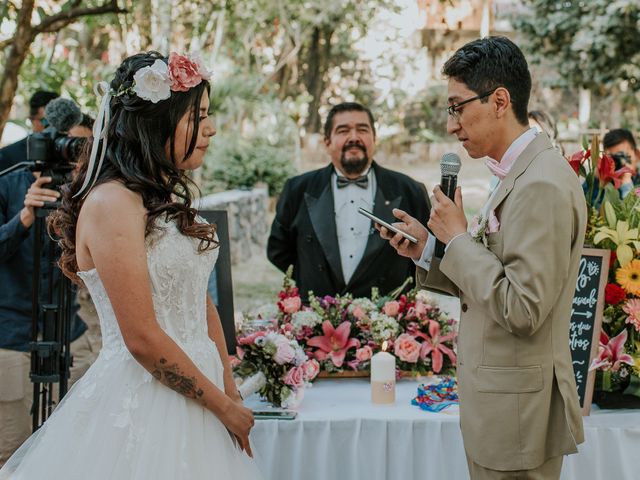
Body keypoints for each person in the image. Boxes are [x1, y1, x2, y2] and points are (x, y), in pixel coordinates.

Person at [0, 52, 261, 479]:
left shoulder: (162, 199)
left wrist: (229, 390)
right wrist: (221, 405)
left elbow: (199, 302)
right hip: (148, 397)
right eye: (198, 116)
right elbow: (140, 337)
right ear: (156, 121)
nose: (210, 128)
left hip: (205, 392)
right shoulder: (112, 202)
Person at [378, 37, 585, 479]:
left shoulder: (541, 184)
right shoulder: (520, 174)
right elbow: (495, 279)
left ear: (499, 101)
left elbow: (523, 307)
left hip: (518, 419)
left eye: (457, 107)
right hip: (500, 409)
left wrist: (456, 240)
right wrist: (432, 249)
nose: (451, 124)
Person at [0, 123, 97, 467]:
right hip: (14, 338)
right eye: (69, 146)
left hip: (69, 335)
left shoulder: (90, 192)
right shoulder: (8, 181)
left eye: (82, 147)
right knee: (12, 452)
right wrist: (25, 217)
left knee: (73, 449)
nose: (76, 155)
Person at [267, 102, 430, 300]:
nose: (354, 138)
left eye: (362, 130)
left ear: (374, 139)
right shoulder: (297, 189)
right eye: (343, 131)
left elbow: (427, 253)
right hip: (318, 320)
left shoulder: (410, 190)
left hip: (388, 320)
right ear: (327, 142)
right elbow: (278, 250)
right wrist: (312, 278)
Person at [0, 91, 59, 172]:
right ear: (32, 120)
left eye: (59, 121)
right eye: (47, 122)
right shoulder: (8, 155)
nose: (54, 127)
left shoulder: (67, 151)